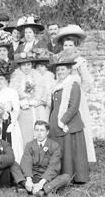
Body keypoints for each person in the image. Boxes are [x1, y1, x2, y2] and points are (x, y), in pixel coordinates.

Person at [53, 24, 96, 163]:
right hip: (62, 98)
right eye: (65, 45)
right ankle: (66, 157)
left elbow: (87, 81)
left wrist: (78, 93)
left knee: (76, 126)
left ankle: (82, 157)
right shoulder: (60, 60)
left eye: (70, 45)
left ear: (75, 45)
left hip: (76, 99)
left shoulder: (79, 61)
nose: (67, 48)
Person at [48, 55, 89, 183]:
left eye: (63, 69)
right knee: (61, 151)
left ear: (69, 70)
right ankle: (62, 177)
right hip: (56, 124)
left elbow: (73, 106)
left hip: (69, 124)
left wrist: (62, 121)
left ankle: (76, 177)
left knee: (71, 151)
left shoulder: (73, 84)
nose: (60, 72)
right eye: (58, 70)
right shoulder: (57, 85)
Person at [11, 120, 71, 197]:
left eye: (42, 130)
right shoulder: (29, 145)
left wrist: (41, 184)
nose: (39, 133)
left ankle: (41, 190)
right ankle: (26, 185)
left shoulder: (54, 146)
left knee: (66, 177)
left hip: (45, 178)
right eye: (36, 130)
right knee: (13, 164)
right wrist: (28, 180)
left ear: (47, 132)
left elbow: (53, 167)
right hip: (31, 176)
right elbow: (26, 162)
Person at [10, 52, 45, 146]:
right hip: (22, 109)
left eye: (28, 64)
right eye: (23, 65)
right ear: (20, 66)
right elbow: (13, 94)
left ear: (32, 65)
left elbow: (41, 92)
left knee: (36, 131)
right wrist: (20, 102)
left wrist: (35, 101)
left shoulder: (37, 76)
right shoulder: (15, 77)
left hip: (34, 108)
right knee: (24, 133)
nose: (26, 67)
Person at [33, 49, 56, 122]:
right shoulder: (32, 78)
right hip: (35, 106)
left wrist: (44, 102)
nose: (39, 68)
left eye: (42, 66)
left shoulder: (50, 78)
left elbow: (52, 95)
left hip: (46, 106)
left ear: (46, 67)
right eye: (37, 66)